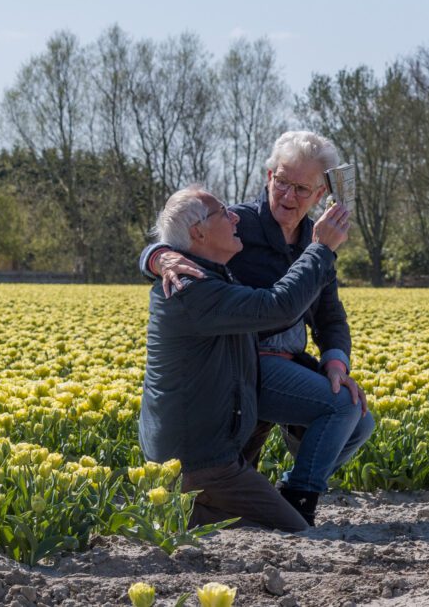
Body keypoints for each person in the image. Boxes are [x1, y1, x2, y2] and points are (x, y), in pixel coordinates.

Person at [140, 131, 374, 525]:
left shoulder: (317, 239)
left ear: (320, 196)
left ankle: (286, 487)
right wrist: (158, 256)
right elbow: (178, 234)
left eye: (302, 188)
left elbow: (331, 315)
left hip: (291, 362)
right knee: (339, 406)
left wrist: (335, 362)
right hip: (247, 364)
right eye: (282, 181)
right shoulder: (235, 224)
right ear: (268, 177)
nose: (289, 195)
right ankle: (300, 499)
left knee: (360, 420)